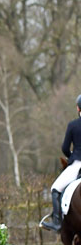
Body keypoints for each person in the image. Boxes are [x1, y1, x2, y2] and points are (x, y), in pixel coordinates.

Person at [41, 94, 81, 232]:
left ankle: (57, 222)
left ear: (78, 108)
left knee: (55, 189)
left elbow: (65, 148)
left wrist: (71, 158)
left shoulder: (73, 125)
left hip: (77, 164)